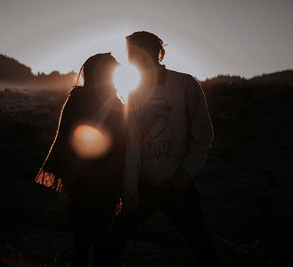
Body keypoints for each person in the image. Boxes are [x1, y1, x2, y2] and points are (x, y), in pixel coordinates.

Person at [110, 31, 222, 267]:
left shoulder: (185, 85)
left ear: (156, 52)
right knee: (113, 245)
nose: (130, 58)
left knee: (201, 246)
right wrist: (129, 191)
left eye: (135, 51)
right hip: (143, 187)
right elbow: (132, 147)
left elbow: (203, 134)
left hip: (178, 185)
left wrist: (185, 174)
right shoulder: (132, 92)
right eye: (128, 53)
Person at [35, 53, 127, 267]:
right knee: (86, 240)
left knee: (97, 239)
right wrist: (67, 184)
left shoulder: (117, 102)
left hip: (107, 184)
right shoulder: (79, 100)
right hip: (83, 183)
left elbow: (123, 144)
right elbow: (68, 141)